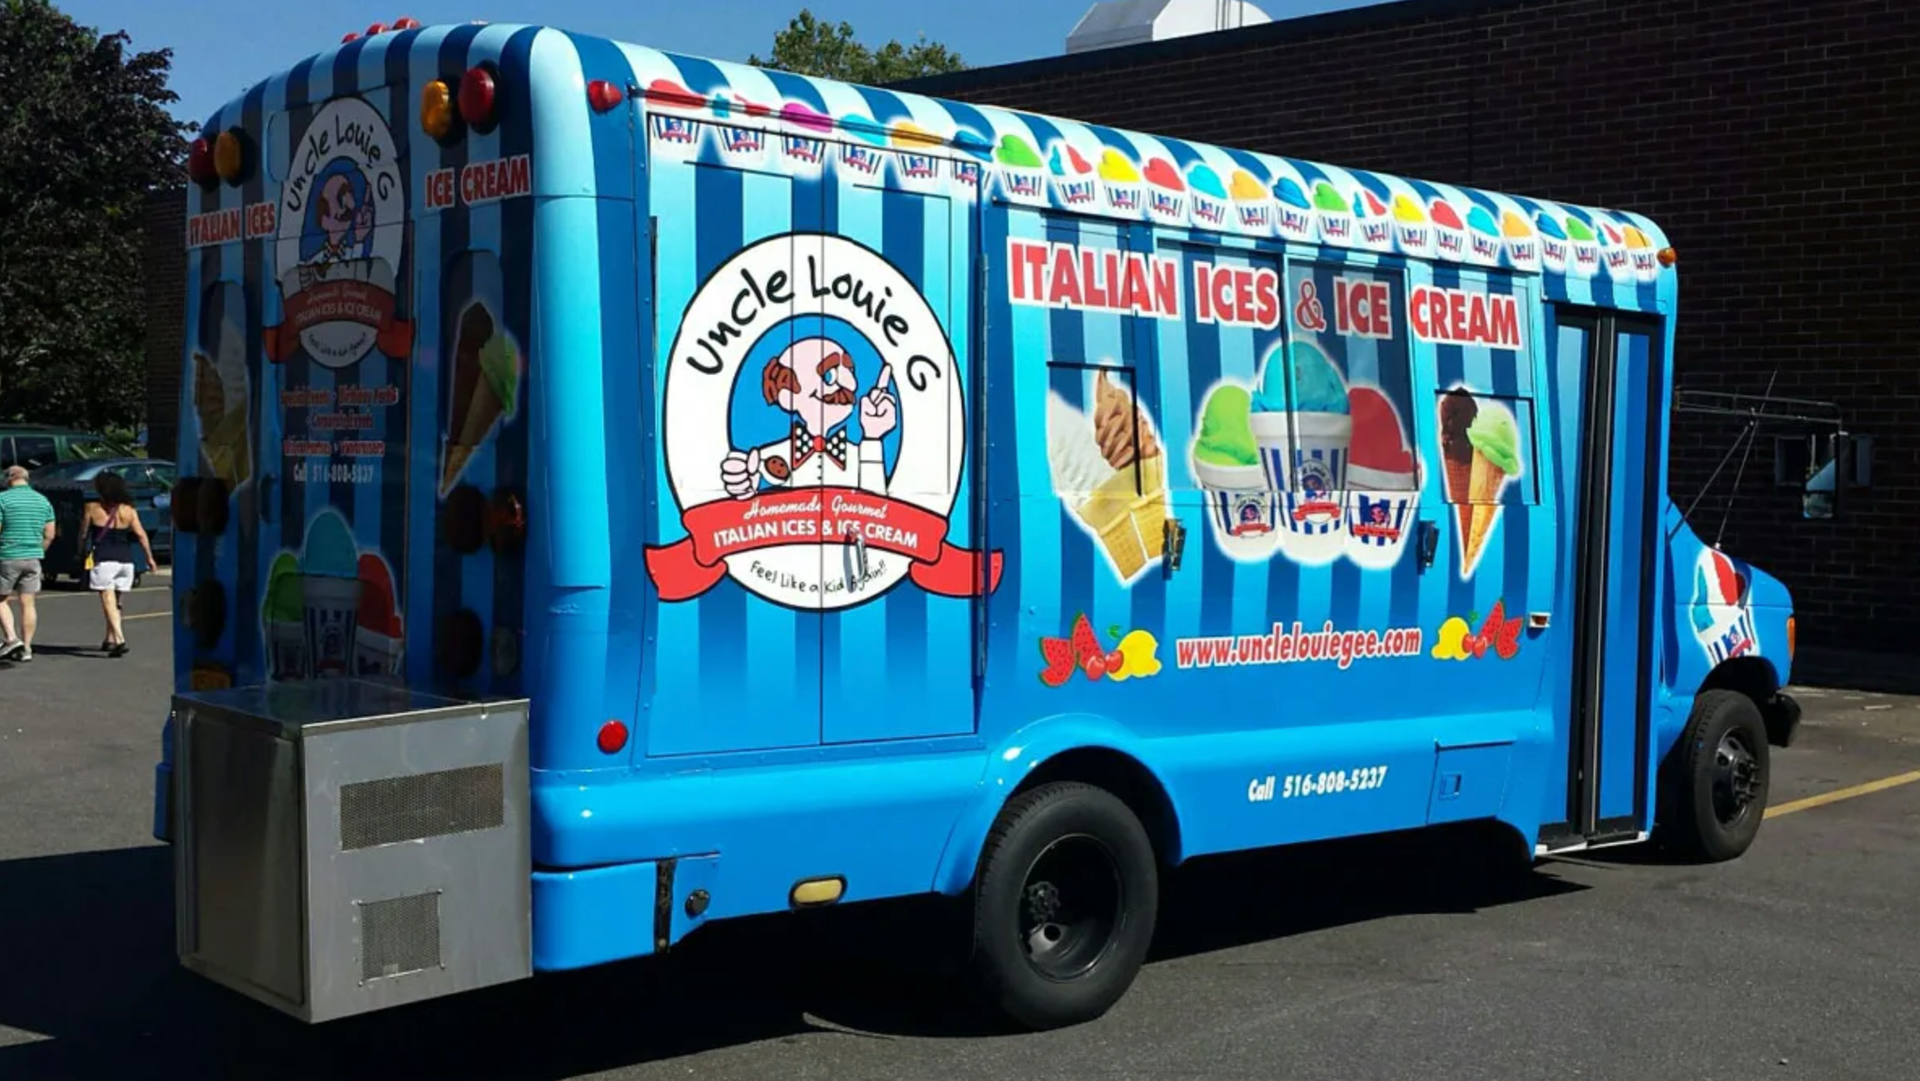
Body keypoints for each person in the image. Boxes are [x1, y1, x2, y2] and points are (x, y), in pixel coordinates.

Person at [81, 471, 155, 657]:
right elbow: (140, 535)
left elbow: (83, 533)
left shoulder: (92, 508)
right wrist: (149, 558)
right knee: (117, 603)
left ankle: (120, 639)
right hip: (126, 561)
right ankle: (110, 639)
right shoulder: (129, 510)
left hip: (104, 559)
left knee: (108, 601)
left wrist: (80, 550)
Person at [0, 464, 56, 662]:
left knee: (1, 599)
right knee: (28, 603)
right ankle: (27, 647)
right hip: (33, 557)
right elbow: (50, 533)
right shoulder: (43, 501)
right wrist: (39, 550)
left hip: (7, 554)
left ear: (9, 478)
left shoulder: (3, 499)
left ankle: (11, 638)